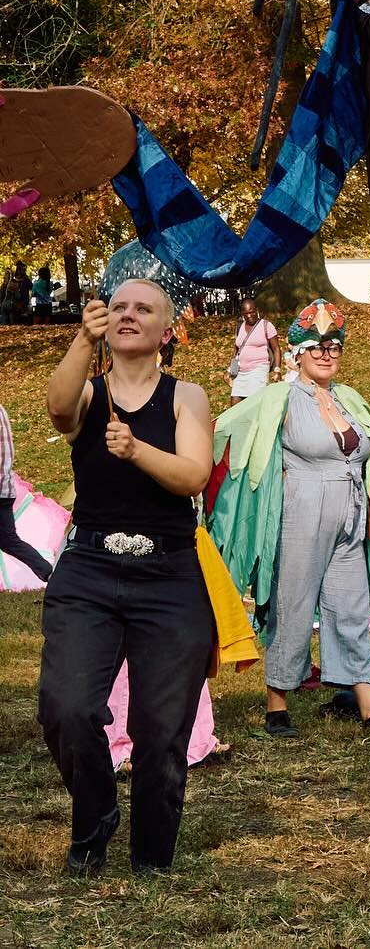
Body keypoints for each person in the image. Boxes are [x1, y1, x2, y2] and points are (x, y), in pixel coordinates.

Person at [37, 281, 215, 875]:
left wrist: (137, 450)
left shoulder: (187, 396)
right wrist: (80, 345)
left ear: (167, 330)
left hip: (167, 572)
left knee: (162, 728)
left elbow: (193, 474)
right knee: (66, 707)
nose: (128, 315)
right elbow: (59, 409)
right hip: (89, 566)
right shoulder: (90, 393)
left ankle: (150, 858)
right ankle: (94, 817)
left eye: (144, 309)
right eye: (118, 307)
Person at [207, 298, 370, 738]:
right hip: (300, 511)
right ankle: (277, 704)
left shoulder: (349, 399)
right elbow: (223, 431)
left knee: (351, 607)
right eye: (316, 346)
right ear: (297, 353)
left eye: (334, 346)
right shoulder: (278, 399)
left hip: (350, 514)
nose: (327, 354)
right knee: (292, 603)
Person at [0, 399, 54, 582]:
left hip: (1, 489)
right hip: (5, 488)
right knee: (9, 541)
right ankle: (48, 572)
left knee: (9, 540)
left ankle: (49, 573)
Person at [229, 295, 280, 400]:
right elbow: (237, 350)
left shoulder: (266, 325)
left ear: (256, 310)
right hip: (241, 371)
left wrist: (277, 370)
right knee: (235, 405)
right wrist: (229, 370)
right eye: (246, 313)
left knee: (253, 403)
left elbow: (276, 349)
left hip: (259, 369)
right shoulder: (240, 327)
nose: (249, 315)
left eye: (251, 312)